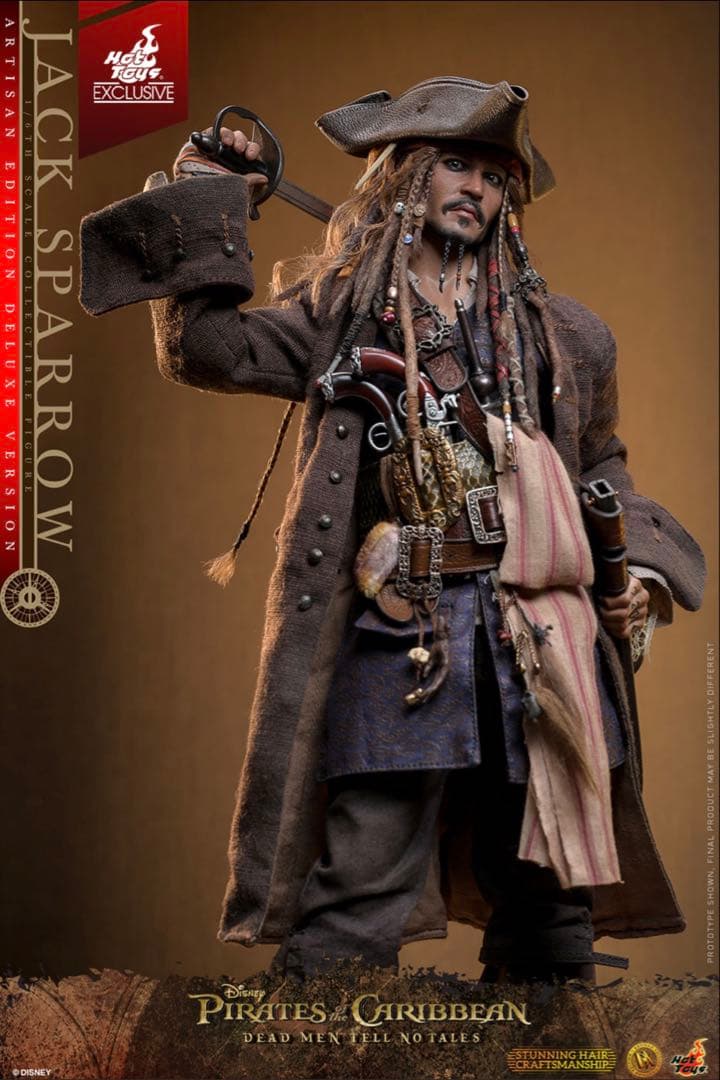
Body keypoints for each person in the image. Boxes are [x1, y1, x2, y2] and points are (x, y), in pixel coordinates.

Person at [80, 77, 705, 984]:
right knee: (359, 883)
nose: (476, 187)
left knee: (549, 895)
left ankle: (550, 1045)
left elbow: (602, 466)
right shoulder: (341, 315)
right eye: (455, 163)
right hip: (407, 629)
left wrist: (637, 575)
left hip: (541, 631)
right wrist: (211, 197)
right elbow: (207, 351)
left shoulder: (564, 336)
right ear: (405, 174)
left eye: (494, 175)